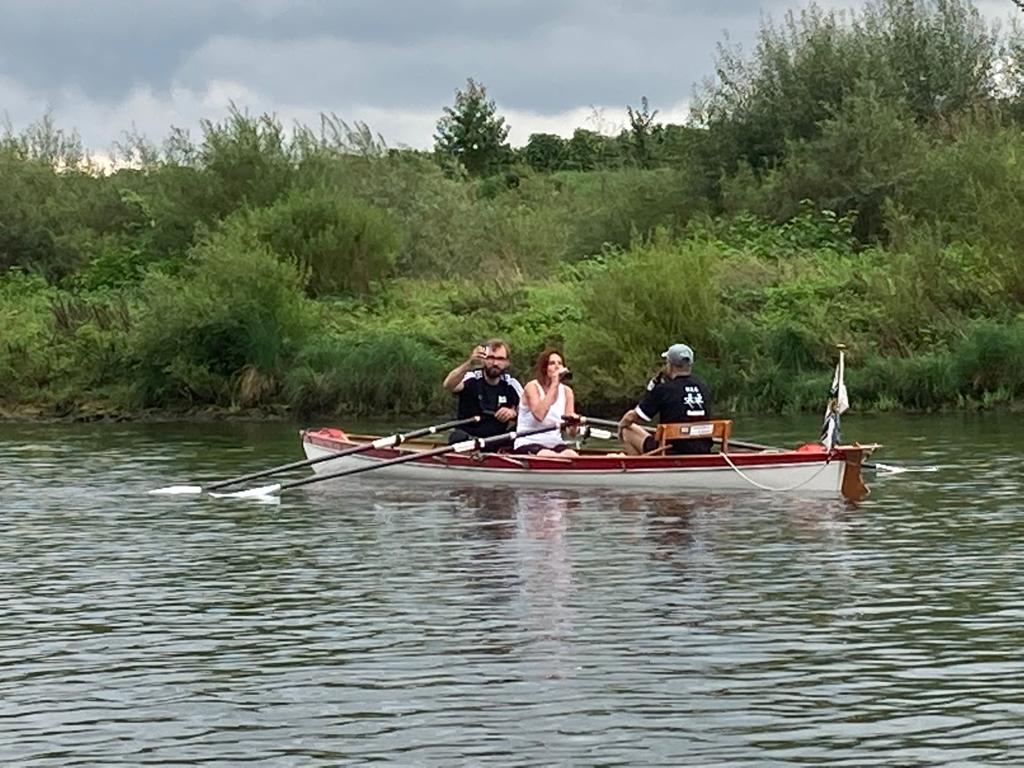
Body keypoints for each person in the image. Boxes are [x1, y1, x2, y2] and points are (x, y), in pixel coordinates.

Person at [617, 343, 714, 455]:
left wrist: (621, 426)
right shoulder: (703, 387)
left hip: (669, 450)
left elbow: (633, 417)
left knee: (627, 429)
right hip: (702, 450)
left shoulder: (664, 389)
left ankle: (637, 463)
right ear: (690, 365)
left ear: (670, 365)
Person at [442, 339, 523, 447]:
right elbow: (448, 385)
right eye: (491, 358)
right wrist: (470, 363)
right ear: (483, 359)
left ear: (507, 362)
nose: (495, 363)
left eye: (500, 359)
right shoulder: (472, 378)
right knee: (458, 436)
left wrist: (513, 413)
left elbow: (529, 412)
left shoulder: (511, 384)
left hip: (496, 440)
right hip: (468, 439)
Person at [513, 348, 579, 456]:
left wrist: (574, 425)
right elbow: (539, 415)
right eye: (552, 363)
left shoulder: (567, 392)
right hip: (528, 441)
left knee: (572, 455)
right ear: (544, 368)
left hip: (555, 443)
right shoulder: (532, 387)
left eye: (560, 363)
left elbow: (570, 432)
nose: (557, 366)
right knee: (551, 456)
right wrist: (554, 384)